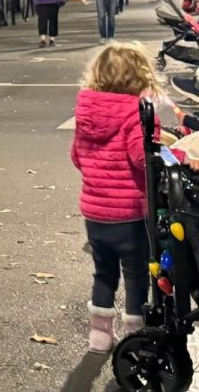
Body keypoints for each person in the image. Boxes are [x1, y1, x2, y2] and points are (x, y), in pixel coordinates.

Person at [69, 41, 157, 353]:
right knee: (136, 276)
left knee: (103, 272)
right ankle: (134, 332)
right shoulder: (137, 112)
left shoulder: (87, 112)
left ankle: (100, 335)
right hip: (131, 213)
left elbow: (77, 157)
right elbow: (141, 158)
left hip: (95, 213)